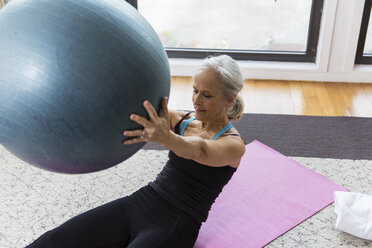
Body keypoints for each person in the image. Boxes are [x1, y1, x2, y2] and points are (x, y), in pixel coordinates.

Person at [26, 54, 246, 248]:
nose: (197, 100)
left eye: (207, 95)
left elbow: (200, 150)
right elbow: (143, 108)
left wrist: (167, 138)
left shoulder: (234, 145)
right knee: (53, 241)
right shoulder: (185, 121)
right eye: (195, 91)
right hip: (141, 202)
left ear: (229, 98)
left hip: (176, 224)